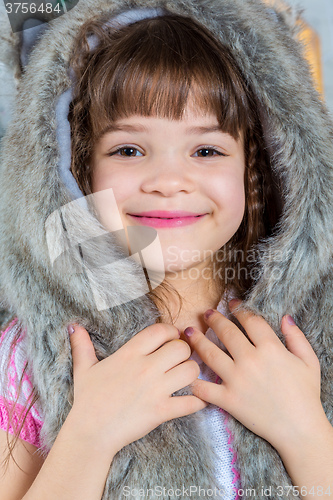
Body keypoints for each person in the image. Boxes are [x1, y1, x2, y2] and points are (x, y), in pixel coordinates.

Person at [0, 1, 333, 499]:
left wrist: (305, 433)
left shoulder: (313, 342)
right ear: (72, 172)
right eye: (128, 150)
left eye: (207, 150)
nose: (169, 181)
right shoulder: (32, 355)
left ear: (259, 167)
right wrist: (89, 435)